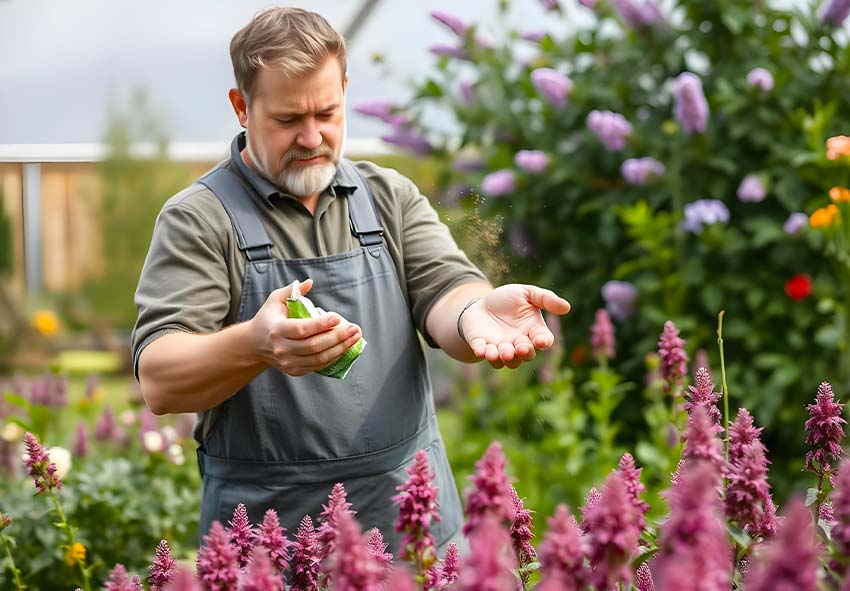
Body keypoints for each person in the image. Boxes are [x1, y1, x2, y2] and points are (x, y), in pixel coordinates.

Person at [132, 7, 570, 554]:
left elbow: (447, 290)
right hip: (274, 544)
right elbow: (161, 379)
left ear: (344, 91)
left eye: (327, 112)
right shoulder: (200, 218)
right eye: (289, 119)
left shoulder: (387, 197)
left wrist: (474, 313)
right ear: (242, 107)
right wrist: (256, 344)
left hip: (410, 532)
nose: (312, 136)